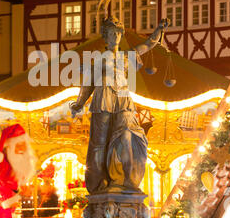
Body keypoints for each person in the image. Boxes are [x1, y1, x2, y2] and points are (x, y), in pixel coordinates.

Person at [70, 16, 169, 195]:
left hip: (123, 99)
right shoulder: (98, 61)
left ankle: (122, 179)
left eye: (118, 33)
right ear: (105, 36)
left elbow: (147, 45)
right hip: (103, 99)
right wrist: (78, 104)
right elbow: (88, 85)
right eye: (111, 33)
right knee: (100, 143)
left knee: (125, 135)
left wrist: (159, 30)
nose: (115, 36)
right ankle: (99, 183)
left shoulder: (126, 56)